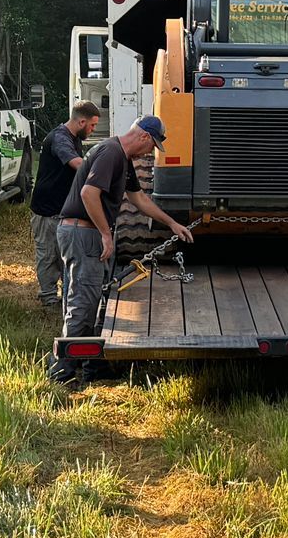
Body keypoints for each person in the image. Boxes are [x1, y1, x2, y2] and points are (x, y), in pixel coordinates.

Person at [53, 115, 194, 379]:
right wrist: (106, 234)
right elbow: (88, 194)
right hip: (83, 233)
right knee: (83, 303)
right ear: (143, 136)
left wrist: (171, 223)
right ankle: (62, 373)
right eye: (151, 145)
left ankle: (93, 365)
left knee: (96, 300)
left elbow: (139, 198)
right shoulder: (111, 153)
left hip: (89, 233)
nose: (149, 152)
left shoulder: (124, 159)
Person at [30, 101, 100, 306]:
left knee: (63, 255)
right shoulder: (60, 139)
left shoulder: (73, 137)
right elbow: (77, 163)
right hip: (46, 209)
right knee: (48, 255)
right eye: (92, 125)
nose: (93, 129)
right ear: (81, 121)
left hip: (60, 209)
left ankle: (64, 295)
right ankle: (49, 298)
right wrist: (100, 173)